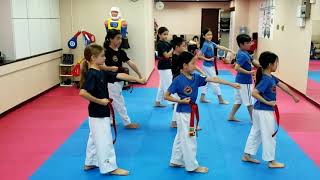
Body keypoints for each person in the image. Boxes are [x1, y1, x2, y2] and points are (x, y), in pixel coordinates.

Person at [164, 51, 240, 173]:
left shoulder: (195, 78)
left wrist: (231, 83)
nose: (195, 66)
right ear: (185, 65)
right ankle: (192, 166)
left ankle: (176, 160)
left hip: (191, 112)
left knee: (181, 136)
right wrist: (180, 101)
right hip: (184, 114)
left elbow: (213, 79)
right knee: (190, 138)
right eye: (193, 63)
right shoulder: (178, 80)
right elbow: (166, 96)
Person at [79, 44, 146, 176]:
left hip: (97, 113)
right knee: (105, 140)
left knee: (94, 137)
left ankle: (90, 162)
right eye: (102, 56)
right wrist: (100, 101)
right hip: (98, 112)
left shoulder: (101, 72)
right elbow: (82, 92)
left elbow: (119, 75)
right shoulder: (92, 74)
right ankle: (109, 167)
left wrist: (137, 79)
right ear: (93, 58)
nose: (104, 58)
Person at [242, 51, 299, 168]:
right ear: (269, 65)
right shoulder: (266, 79)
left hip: (259, 111)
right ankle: (271, 161)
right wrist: (268, 102)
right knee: (270, 135)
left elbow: (282, 85)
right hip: (264, 111)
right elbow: (254, 93)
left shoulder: (269, 76)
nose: (276, 65)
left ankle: (247, 155)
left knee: (256, 132)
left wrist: (293, 95)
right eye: (276, 63)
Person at [100, 29, 144, 129]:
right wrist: (110, 69)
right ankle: (127, 123)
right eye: (117, 38)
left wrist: (139, 74)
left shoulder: (121, 52)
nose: (120, 40)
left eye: (121, 38)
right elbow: (100, 66)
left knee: (112, 101)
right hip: (110, 81)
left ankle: (110, 120)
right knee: (119, 102)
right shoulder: (106, 52)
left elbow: (130, 63)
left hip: (119, 80)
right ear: (110, 39)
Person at [170, 37, 205, 128]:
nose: (185, 47)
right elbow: (179, 70)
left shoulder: (183, 56)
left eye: (185, 45)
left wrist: (200, 72)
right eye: (183, 46)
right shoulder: (175, 58)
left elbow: (192, 64)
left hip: (183, 80)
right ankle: (183, 124)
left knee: (183, 102)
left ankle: (179, 123)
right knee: (182, 102)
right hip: (180, 82)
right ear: (177, 47)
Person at [228, 34, 261, 122]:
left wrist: (262, 66)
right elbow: (236, 67)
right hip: (245, 82)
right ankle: (254, 120)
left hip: (239, 81)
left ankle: (231, 116)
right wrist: (249, 72)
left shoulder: (244, 52)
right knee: (250, 102)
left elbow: (253, 62)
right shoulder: (243, 54)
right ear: (241, 44)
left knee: (238, 101)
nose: (250, 44)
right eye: (247, 43)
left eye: (250, 42)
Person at [198, 28, 236, 104]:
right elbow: (199, 56)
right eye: (208, 35)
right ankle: (220, 99)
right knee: (215, 81)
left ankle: (202, 98)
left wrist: (230, 50)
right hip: (208, 67)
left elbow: (220, 47)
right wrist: (208, 59)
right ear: (204, 36)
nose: (210, 36)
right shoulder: (205, 44)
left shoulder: (211, 43)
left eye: (211, 34)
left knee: (206, 82)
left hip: (208, 66)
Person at [155, 27, 174, 107]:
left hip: (167, 65)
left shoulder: (166, 42)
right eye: (164, 34)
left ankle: (158, 101)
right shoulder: (160, 43)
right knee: (169, 84)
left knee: (162, 85)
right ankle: (173, 102)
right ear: (159, 34)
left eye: (167, 34)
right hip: (164, 66)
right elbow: (166, 56)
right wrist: (173, 50)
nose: (166, 36)